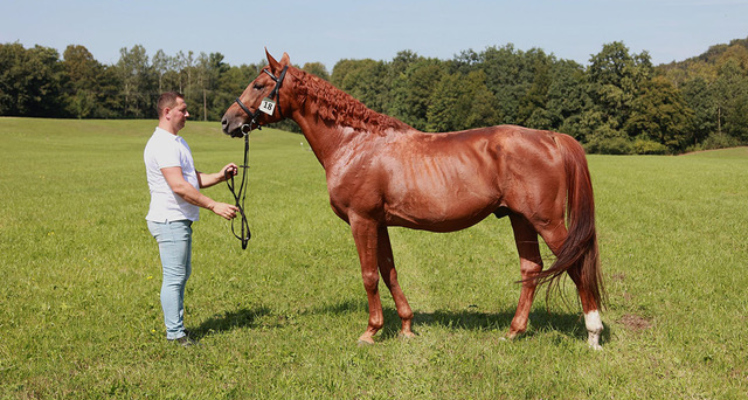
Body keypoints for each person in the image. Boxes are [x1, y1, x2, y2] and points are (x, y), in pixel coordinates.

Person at [144, 92, 238, 346]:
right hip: (169, 219)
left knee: (180, 275)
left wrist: (220, 176)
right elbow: (179, 186)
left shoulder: (176, 142)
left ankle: (176, 329)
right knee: (175, 277)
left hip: (178, 219)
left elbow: (191, 179)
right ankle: (175, 335)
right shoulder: (163, 144)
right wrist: (214, 205)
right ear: (167, 112)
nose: (187, 114)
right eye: (182, 110)